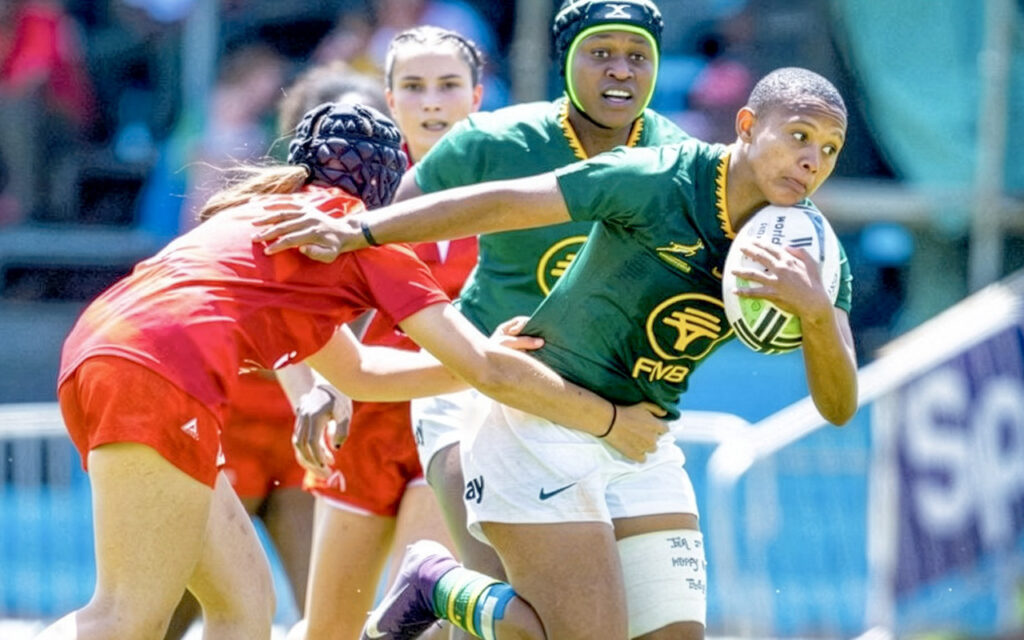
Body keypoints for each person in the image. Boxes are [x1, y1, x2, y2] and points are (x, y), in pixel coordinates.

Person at [253, 66, 859, 640]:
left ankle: (437, 587)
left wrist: (815, 314)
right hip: (541, 422)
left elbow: (838, 405)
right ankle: (435, 584)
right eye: (799, 136)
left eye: (829, 149)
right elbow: (506, 202)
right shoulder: (661, 177)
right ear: (748, 126)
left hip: (642, 440)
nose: (812, 161)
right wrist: (362, 231)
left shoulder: (814, 253)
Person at [36, 102, 667, 640]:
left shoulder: (271, 211)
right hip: (159, 371)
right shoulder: (364, 237)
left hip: (99, 351)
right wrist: (606, 418)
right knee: (125, 618)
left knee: (244, 603)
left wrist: (474, 362)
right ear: (389, 187)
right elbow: (481, 367)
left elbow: (359, 371)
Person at [305, 0, 693, 612]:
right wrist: (336, 375)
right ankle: (443, 584)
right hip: (474, 387)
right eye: (600, 53)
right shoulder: (491, 141)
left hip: (601, 407)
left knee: (650, 626)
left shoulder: (684, 160)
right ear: (566, 61)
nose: (620, 70)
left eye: (636, 56)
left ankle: (436, 586)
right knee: (502, 590)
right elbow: (370, 241)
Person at [162, 62, 392, 640]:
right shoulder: (263, 213)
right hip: (229, 423)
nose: (353, 151)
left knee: (335, 619)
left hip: (312, 443)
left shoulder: (381, 223)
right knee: (160, 618)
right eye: (340, 136)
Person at [290, 27, 484, 640]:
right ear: (391, 101)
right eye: (414, 87)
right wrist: (318, 387)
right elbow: (308, 307)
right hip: (365, 416)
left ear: (477, 96)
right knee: (329, 630)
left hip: (455, 420)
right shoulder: (360, 190)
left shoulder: (515, 187)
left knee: (415, 625)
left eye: (449, 85)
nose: (433, 102)